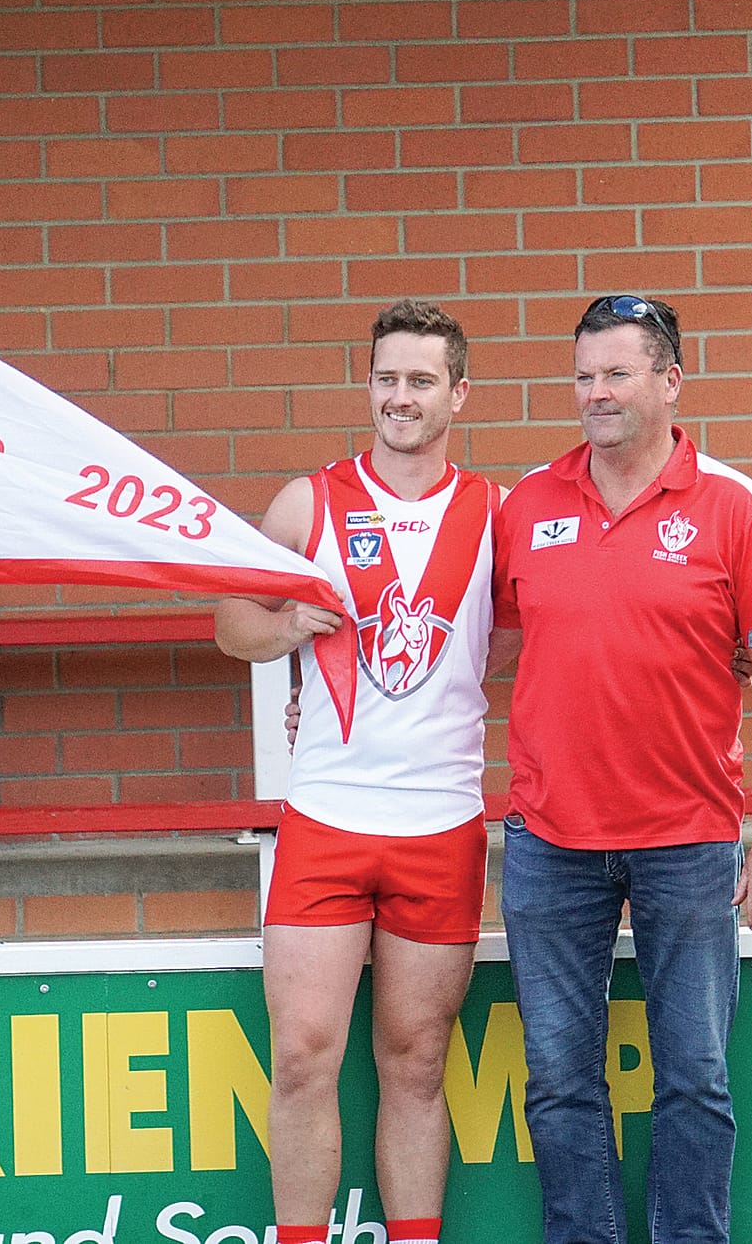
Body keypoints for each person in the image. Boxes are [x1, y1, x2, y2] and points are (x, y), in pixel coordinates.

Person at [492, 293, 752, 1244]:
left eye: (617, 373)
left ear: (670, 381)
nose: (595, 393)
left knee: (694, 1080)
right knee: (558, 1080)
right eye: (583, 375)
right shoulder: (526, 504)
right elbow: (455, 647)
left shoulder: (732, 502)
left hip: (689, 837)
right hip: (549, 839)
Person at [215, 300, 504, 1244]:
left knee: (417, 1060)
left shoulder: (497, 511)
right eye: (386, 377)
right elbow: (232, 625)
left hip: (441, 818)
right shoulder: (313, 500)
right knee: (302, 1055)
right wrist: (288, 627)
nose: (400, 397)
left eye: (421, 380)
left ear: (459, 393)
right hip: (328, 815)